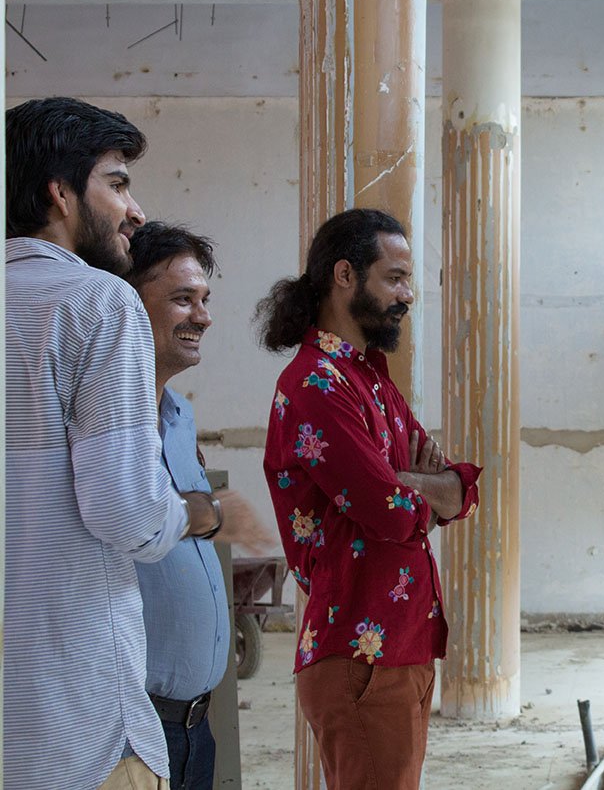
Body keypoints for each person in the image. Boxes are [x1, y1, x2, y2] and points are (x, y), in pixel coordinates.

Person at [4, 97, 259, 790]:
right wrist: (197, 513)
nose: (134, 210)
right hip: (83, 724)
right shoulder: (97, 300)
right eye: (116, 183)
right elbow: (129, 515)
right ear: (60, 193)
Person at [256, 208, 482, 789]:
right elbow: (393, 514)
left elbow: (462, 489)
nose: (408, 295)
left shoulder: (370, 378)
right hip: (360, 659)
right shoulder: (315, 383)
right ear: (345, 275)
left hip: (399, 647)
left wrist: (410, 483)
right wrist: (410, 489)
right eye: (395, 278)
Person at [126, 222, 269, 790]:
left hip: (194, 724)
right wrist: (209, 513)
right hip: (134, 727)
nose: (203, 317)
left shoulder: (181, 420)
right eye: (183, 299)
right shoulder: (101, 423)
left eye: (205, 300)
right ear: (124, 303)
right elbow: (137, 516)